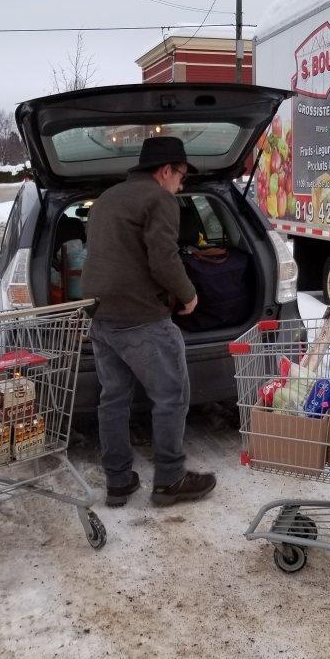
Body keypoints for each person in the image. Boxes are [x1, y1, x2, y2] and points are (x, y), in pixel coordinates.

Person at [81, 136, 217, 508]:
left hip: (100, 315)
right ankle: (171, 480)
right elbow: (163, 259)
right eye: (181, 175)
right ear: (165, 171)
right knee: (172, 396)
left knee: (113, 400)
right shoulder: (159, 199)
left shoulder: (108, 198)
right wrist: (188, 295)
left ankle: (119, 481)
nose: (182, 184)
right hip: (140, 317)